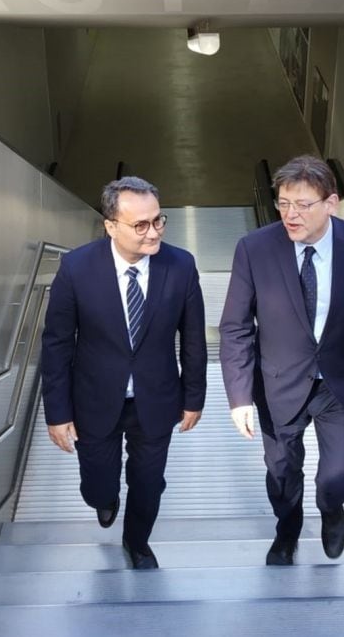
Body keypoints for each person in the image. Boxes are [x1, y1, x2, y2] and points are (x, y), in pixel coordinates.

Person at [219, 155, 344, 565]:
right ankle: (288, 530)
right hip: (277, 382)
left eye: (303, 204)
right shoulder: (255, 248)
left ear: (331, 203)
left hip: (343, 381)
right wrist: (239, 396)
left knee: (339, 475)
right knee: (282, 473)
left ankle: (331, 506)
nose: (290, 214)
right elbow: (235, 326)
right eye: (283, 203)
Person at [40, 176, 207, 570]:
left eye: (158, 221)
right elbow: (57, 344)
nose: (154, 233)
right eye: (141, 225)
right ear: (111, 225)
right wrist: (57, 413)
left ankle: (137, 542)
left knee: (148, 481)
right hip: (94, 401)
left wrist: (193, 397)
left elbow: (194, 339)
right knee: (98, 485)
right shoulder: (77, 267)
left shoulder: (180, 265)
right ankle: (105, 498)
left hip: (157, 398)